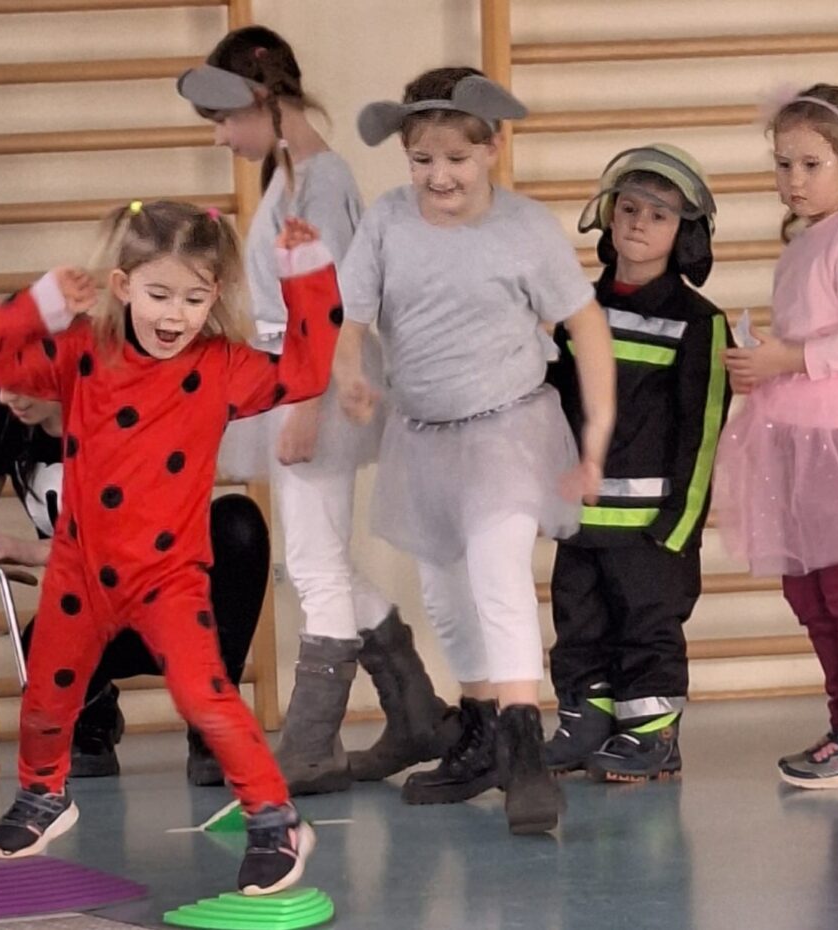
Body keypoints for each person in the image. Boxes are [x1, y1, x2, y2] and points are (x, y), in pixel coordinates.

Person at [0, 200, 342, 894]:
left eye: (195, 298)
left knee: (207, 701)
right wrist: (42, 301)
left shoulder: (221, 365)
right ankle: (44, 794)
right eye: (160, 294)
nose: (176, 314)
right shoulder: (82, 349)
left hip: (170, 575)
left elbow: (307, 371)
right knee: (47, 698)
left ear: (216, 297)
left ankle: (275, 820)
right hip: (81, 569)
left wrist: (307, 274)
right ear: (122, 286)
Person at [177, 26, 456, 795]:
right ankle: (418, 715)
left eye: (228, 119)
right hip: (291, 377)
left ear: (266, 101)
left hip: (312, 382)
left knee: (309, 561)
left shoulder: (322, 180)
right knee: (321, 555)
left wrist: (302, 402)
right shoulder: (294, 175)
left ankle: (309, 745)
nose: (223, 136)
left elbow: (330, 305)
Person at [335, 67, 615, 834]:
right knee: (446, 600)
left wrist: (595, 437)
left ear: (491, 149)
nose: (439, 176)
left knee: (497, 577)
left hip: (508, 431)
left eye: (456, 159)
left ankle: (526, 750)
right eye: (422, 160)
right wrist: (352, 374)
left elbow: (586, 329)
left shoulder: (524, 229)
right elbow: (351, 318)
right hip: (423, 438)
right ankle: (485, 731)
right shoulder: (388, 222)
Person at [0, 386, 271, 786]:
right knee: (39, 643)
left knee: (237, 523)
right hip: (96, 614)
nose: (10, 398)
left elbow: (144, 532)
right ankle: (93, 713)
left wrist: (37, 551)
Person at [715, 83, 838, 789]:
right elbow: (811, 335)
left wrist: (785, 360)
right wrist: (761, 364)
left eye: (810, 164)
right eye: (783, 163)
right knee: (807, 590)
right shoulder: (808, 241)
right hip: (796, 432)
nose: (793, 179)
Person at [544, 144, 731, 782]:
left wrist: (679, 527)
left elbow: (701, 433)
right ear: (606, 216)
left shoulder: (700, 322)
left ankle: (651, 734)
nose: (638, 223)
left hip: (653, 526)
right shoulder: (576, 310)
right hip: (581, 515)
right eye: (628, 208)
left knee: (647, 627)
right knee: (577, 620)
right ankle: (586, 719)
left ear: (687, 235)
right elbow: (555, 408)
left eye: (658, 215)